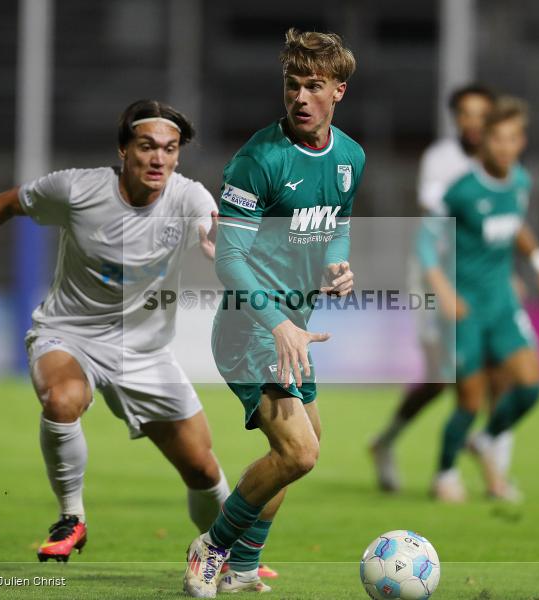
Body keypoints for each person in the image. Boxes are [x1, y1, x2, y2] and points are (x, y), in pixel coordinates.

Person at [0, 99, 238, 563]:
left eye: (170, 149)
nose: (159, 158)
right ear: (123, 150)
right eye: (147, 146)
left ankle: (233, 556)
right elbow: (8, 203)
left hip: (145, 352)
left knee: (201, 467)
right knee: (63, 399)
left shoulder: (189, 197)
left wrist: (221, 251)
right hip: (69, 334)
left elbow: (212, 232)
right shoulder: (77, 189)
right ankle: (71, 517)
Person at [182, 29, 364, 597]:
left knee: (297, 450)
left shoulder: (350, 156)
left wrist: (338, 267)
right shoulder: (258, 160)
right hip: (248, 327)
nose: (300, 97)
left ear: (338, 91)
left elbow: (338, 224)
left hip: (295, 329)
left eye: (314, 86)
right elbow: (230, 260)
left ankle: (242, 566)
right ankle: (211, 548)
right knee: (298, 451)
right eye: (292, 85)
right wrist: (279, 323)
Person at [370, 84, 515, 494]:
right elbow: (436, 223)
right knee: (442, 377)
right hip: (438, 273)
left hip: (482, 277)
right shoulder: (441, 159)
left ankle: (493, 470)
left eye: (481, 114)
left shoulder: (501, 162)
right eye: (465, 113)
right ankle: (387, 442)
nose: (473, 121)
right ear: (456, 119)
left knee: (500, 369)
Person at [415, 96, 539, 501]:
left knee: (531, 387)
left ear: (522, 142)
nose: (503, 147)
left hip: (501, 303)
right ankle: (444, 474)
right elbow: (427, 242)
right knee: (470, 399)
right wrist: (442, 289)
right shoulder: (461, 190)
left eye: (512, 138)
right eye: (496, 138)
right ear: (485, 142)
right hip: (463, 307)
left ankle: (484, 442)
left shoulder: (520, 182)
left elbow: (516, 227)